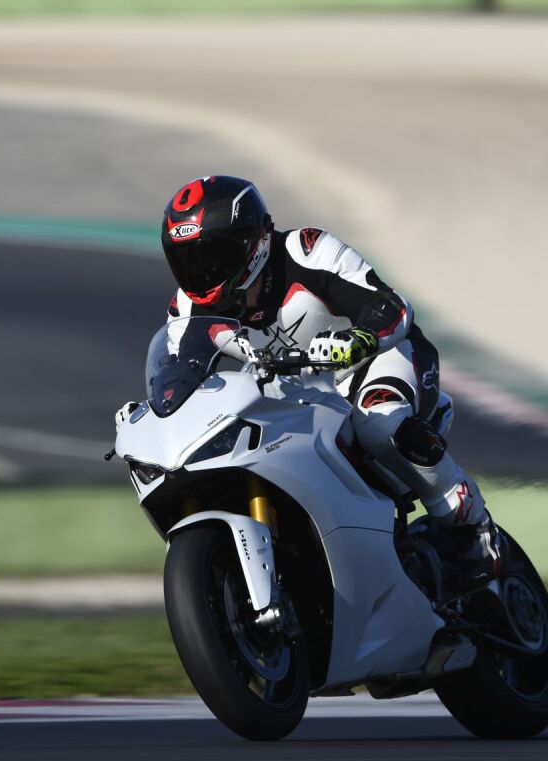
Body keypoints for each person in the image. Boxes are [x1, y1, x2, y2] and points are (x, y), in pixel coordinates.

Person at [118, 175, 500, 591]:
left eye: (212, 258)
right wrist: (158, 411)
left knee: (379, 421)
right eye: (187, 261)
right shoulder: (187, 306)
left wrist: (358, 340)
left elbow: (391, 307)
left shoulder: (307, 251)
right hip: (294, 390)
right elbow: (180, 372)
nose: (201, 273)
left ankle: (473, 526)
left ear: (252, 243)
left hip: (376, 360)